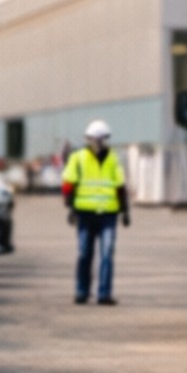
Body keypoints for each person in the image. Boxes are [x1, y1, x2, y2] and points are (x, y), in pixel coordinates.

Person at [63, 120, 129, 305]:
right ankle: (81, 291)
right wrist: (71, 208)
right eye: (94, 139)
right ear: (88, 139)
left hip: (108, 214)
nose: (98, 142)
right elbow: (68, 183)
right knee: (84, 253)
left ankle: (104, 294)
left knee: (107, 253)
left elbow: (120, 186)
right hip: (85, 213)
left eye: (102, 139)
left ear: (106, 139)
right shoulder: (78, 158)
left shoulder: (113, 158)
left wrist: (125, 211)